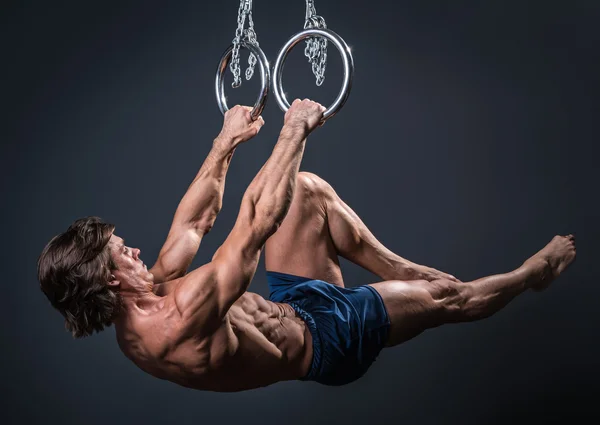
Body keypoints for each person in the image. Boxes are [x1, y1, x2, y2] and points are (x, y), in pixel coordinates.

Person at [38, 100, 576, 392]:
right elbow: (253, 225)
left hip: (295, 305)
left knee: (304, 189)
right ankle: (532, 274)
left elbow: (194, 225)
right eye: (122, 253)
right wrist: (293, 129)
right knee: (450, 301)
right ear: (108, 278)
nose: (134, 253)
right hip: (330, 343)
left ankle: (403, 269)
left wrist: (225, 142)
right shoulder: (174, 319)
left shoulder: (141, 294)